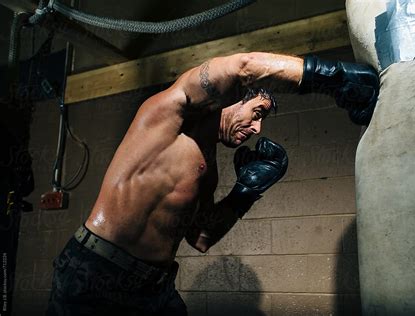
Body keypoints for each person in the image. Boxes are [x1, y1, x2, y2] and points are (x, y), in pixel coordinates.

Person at [46, 52, 379, 315]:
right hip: (96, 272)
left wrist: (245, 192)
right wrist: (332, 77)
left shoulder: (207, 171)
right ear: (234, 98)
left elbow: (201, 238)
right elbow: (243, 66)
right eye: (257, 112)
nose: (257, 128)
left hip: (154, 287)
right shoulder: (170, 113)